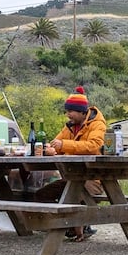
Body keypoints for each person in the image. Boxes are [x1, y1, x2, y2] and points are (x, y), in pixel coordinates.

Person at [40, 86, 107, 241]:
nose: (68, 114)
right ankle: (62, 227)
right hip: (72, 177)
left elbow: (93, 146)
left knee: (74, 194)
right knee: (41, 195)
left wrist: (63, 145)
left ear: (82, 112)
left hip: (92, 178)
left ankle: (75, 228)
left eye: (71, 111)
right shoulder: (69, 126)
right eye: (67, 111)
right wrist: (50, 149)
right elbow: (57, 143)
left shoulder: (97, 124)